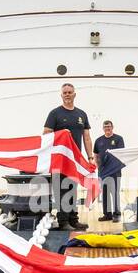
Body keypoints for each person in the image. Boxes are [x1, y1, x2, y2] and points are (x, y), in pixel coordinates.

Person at [43, 83, 92, 229]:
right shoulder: (54, 114)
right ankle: (63, 221)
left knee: (72, 189)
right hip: (59, 160)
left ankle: (73, 219)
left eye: (70, 92)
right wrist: (61, 133)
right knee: (61, 189)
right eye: (65, 92)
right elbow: (46, 134)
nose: (67, 94)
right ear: (61, 95)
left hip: (74, 160)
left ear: (74, 94)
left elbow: (87, 137)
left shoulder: (81, 114)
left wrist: (90, 157)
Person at [93, 120, 125, 222]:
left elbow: (121, 154)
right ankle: (107, 214)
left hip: (115, 171)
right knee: (105, 193)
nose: (107, 128)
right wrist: (98, 167)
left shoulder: (118, 139)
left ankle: (117, 214)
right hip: (103, 171)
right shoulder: (98, 140)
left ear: (112, 127)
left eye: (109, 127)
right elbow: (96, 155)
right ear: (103, 128)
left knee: (115, 192)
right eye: (105, 127)